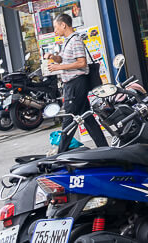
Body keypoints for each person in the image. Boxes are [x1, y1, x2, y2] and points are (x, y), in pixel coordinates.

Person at [45, 14, 107, 151]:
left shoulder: (75, 40)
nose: (55, 30)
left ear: (63, 25)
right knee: (87, 117)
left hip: (76, 83)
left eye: (56, 27)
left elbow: (82, 63)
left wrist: (58, 68)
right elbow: (62, 59)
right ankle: (104, 147)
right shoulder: (67, 41)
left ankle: (60, 152)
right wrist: (53, 57)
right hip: (71, 84)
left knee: (69, 118)